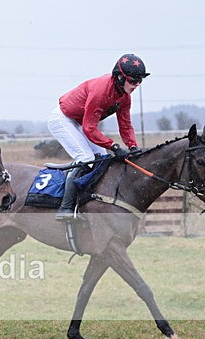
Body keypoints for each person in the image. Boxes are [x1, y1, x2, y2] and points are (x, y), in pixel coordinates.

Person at [47, 53, 149, 221]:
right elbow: (89, 128)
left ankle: (90, 200)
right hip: (63, 119)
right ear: (119, 77)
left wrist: (132, 146)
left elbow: (125, 125)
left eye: (140, 81)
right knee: (86, 157)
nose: (136, 84)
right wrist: (114, 146)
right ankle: (65, 207)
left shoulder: (125, 97)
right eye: (133, 80)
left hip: (79, 122)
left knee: (102, 158)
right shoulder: (101, 91)